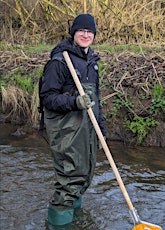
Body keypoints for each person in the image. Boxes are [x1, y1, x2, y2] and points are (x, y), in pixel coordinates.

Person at [39, 14, 104, 226]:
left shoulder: (92, 63)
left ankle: (74, 219)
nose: (86, 35)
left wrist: (100, 132)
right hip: (66, 130)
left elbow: (97, 101)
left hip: (87, 129)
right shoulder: (59, 62)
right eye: (81, 31)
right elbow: (47, 98)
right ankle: (58, 224)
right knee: (69, 178)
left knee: (85, 174)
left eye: (90, 31)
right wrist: (75, 102)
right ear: (73, 33)